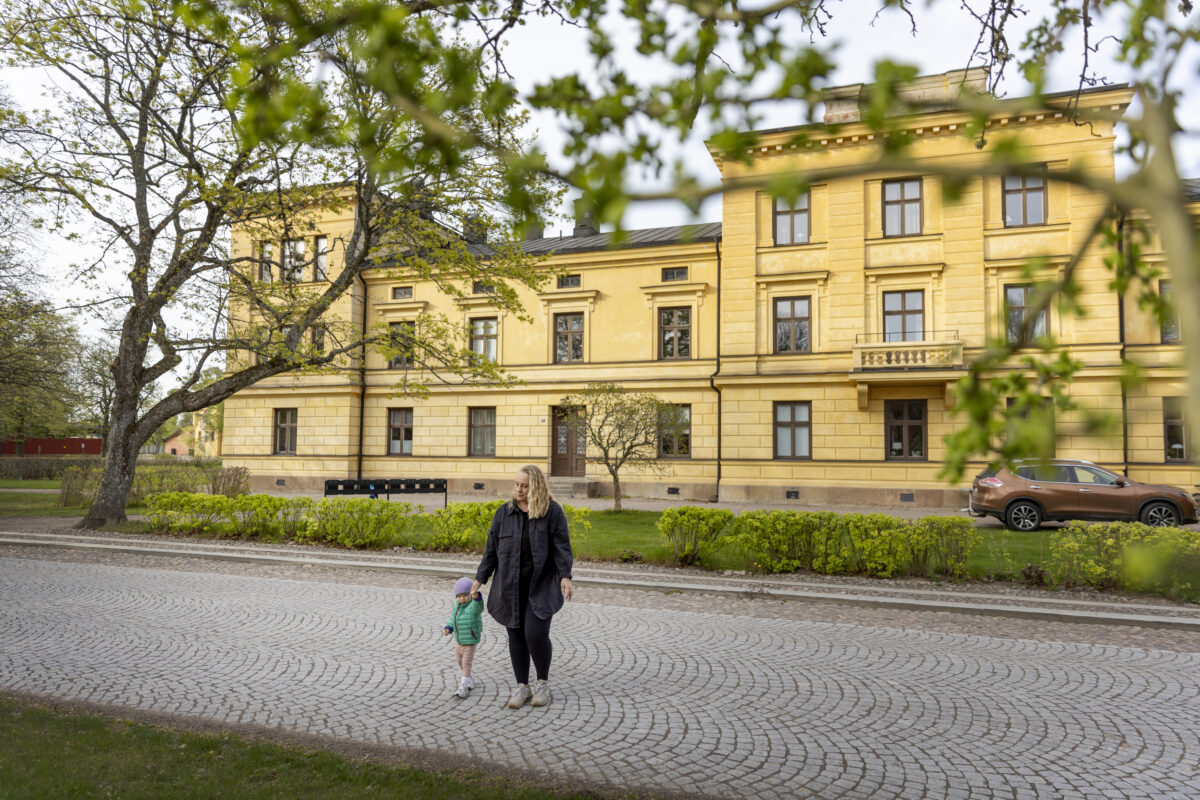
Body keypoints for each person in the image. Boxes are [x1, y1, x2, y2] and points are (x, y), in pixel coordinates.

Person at [472, 464, 573, 709]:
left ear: (535, 487)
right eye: (517, 484)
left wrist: (565, 576)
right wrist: (480, 579)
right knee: (515, 634)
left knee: (535, 634)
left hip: (542, 586)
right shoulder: (503, 514)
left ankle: (543, 684)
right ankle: (522, 687)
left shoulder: (552, 512)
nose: (519, 490)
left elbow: (562, 547)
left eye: (524, 486)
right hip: (510, 586)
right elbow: (491, 551)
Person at [442, 576, 484, 699]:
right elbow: (452, 617)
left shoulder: (473, 606)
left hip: (470, 640)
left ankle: (463, 687)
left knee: (466, 663)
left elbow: (479, 606)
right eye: (459, 596)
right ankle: (470, 678)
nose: (462, 599)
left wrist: (476, 596)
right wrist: (449, 627)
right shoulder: (458, 606)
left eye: (465, 595)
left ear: (470, 594)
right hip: (459, 640)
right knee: (459, 661)